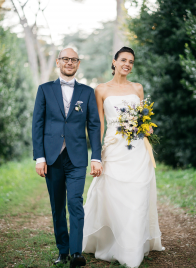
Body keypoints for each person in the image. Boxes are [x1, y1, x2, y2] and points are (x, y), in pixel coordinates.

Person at [82, 46, 164, 267]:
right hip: (114, 149)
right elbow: (98, 125)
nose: (127, 64)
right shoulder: (100, 90)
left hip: (137, 150)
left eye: (131, 62)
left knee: (137, 195)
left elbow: (143, 116)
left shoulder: (137, 88)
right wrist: (95, 155)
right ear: (114, 62)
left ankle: (132, 249)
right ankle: (111, 243)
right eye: (124, 60)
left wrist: (147, 127)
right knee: (113, 196)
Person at [32, 48, 103, 267]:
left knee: (75, 202)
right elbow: (38, 124)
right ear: (58, 62)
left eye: (73, 59)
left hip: (77, 157)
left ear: (78, 64)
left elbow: (93, 125)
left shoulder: (87, 92)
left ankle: (76, 252)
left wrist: (96, 157)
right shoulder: (44, 90)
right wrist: (39, 157)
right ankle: (62, 251)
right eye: (65, 59)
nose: (69, 62)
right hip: (52, 158)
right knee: (57, 206)